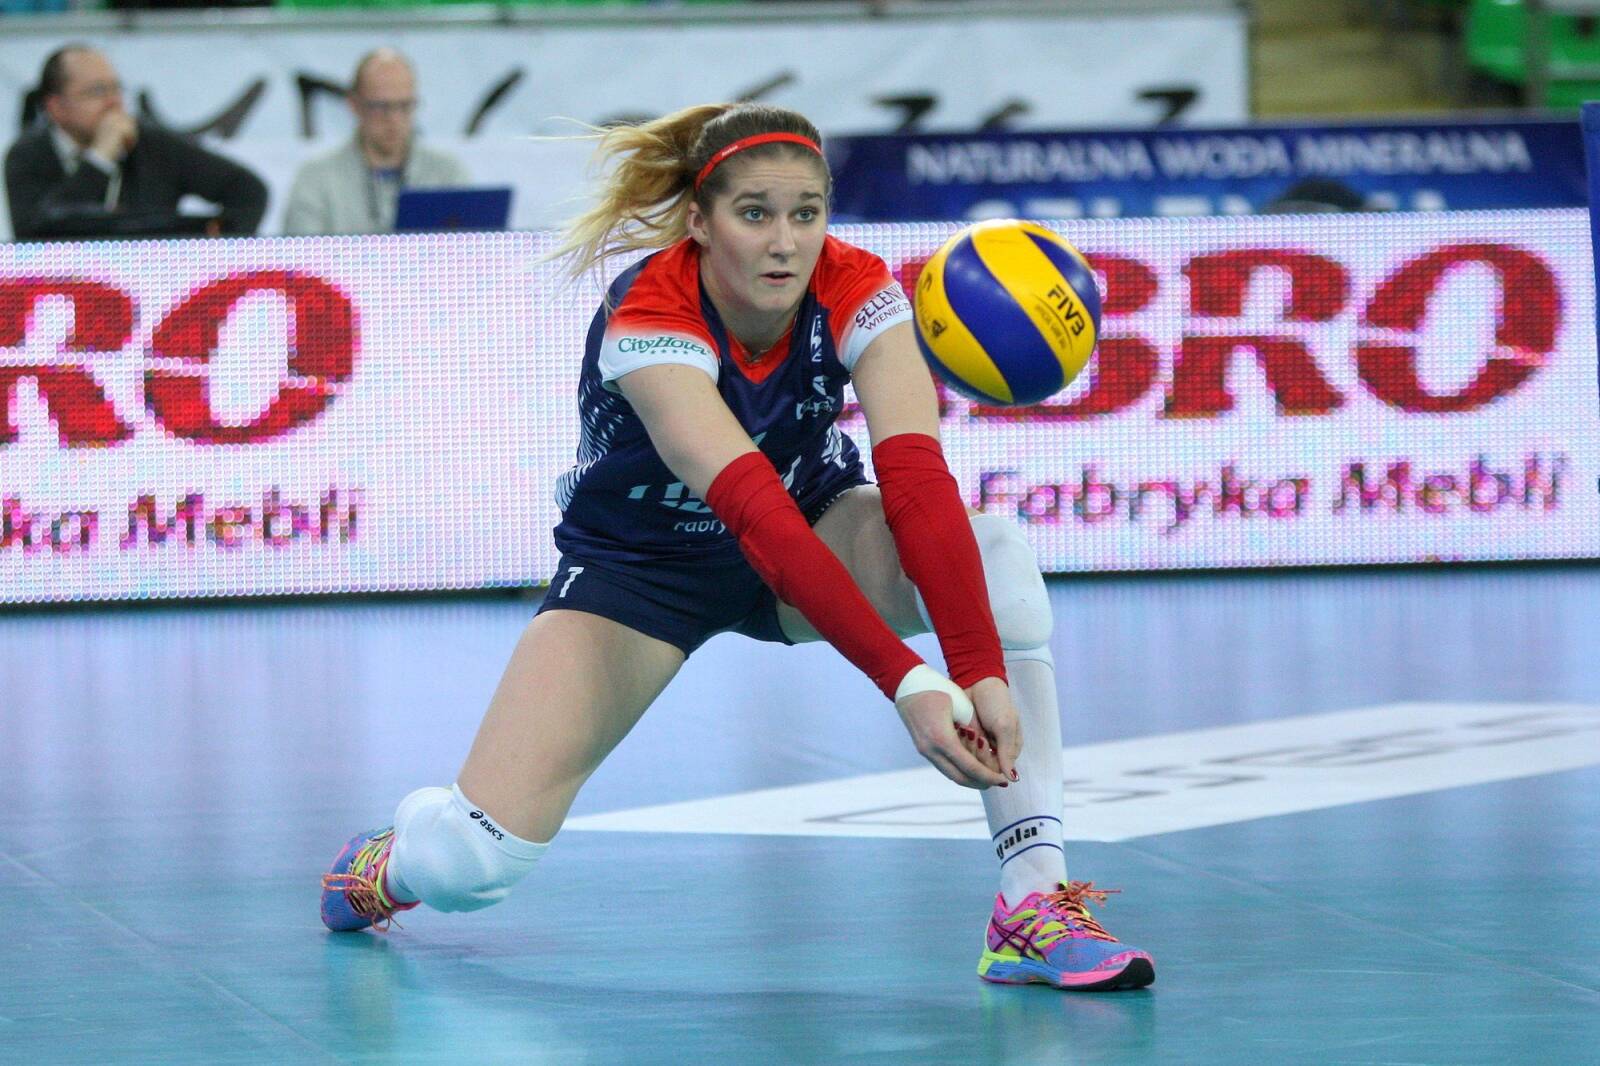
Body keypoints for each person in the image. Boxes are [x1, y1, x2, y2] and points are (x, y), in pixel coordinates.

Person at [319, 103, 1155, 992]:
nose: (785, 243)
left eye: (806, 213)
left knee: (999, 560)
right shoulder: (651, 313)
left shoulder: (859, 287)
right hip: (642, 574)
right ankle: (391, 858)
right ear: (699, 221)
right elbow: (755, 516)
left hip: (817, 520)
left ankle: (1032, 902)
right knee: (473, 866)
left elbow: (916, 484)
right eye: (755, 214)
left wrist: (979, 666)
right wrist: (909, 681)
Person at [4, 44, 267, 241]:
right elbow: (34, 232)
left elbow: (248, 190)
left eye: (116, 88)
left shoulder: (152, 144)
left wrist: (214, 253)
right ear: (56, 107)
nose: (113, 102)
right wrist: (100, 159)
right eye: (97, 91)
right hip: (68, 288)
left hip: (154, 285)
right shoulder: (27, 156)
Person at [283, 49, 469, 235]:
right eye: (381, 107)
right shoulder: (316, 178)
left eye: (404, 106)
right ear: (354, 105)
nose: (394, 119)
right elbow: (300, 250)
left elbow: (468, 247)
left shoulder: (447, 174)